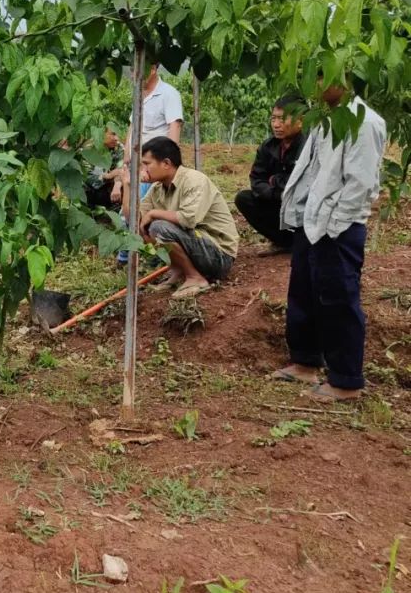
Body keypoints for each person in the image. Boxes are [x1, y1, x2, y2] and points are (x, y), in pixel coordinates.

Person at [270, 82, 386, 402]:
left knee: (338, 300)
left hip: (339, 226)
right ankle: (305, 362)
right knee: (304, 291)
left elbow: (361, 183)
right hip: (312, 219)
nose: (315, 82)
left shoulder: (364, 121)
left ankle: (346, 381)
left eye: (322, 74)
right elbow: (312, 170)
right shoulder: (323, 119)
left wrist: (335, 224)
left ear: (344, 76)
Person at [138, 137, 239, 299]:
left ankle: (195, 278)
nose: (143, 169)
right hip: (198, 246)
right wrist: (128, 186)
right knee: (144, 227)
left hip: (219, 255)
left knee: (158, 226)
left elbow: (188, 220)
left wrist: (153, 213)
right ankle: (179, 271)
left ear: (166, 163)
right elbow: (136, 220)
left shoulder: (194, 180)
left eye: (146, 164)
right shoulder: (157, 188)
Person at [114, 64, 184, 264]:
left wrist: (167, 165)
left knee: (143, 210)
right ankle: (128, 255)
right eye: (133, 70)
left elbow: (174, 128)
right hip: (135, 164)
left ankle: (148, 256)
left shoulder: (169, 94)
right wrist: (126, 158)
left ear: (153, 68)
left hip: (152, 167)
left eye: (139, 69)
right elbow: (133, 127)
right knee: (128, 210)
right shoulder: (139, 95)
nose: (134, 74)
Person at [234, 97, 305, 254]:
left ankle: (303, 241)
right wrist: (276, 192)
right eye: (273, 119)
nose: (276, 124)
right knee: (244, 199)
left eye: (282, 119)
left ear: (300, 120)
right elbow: (257, 180)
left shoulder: (308, 146)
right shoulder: (268, 146)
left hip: (300, 204)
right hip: (277, 199)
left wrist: (274, 180)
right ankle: (283, 242)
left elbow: (300, 182)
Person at [84, 128, 124, 211]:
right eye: (113, 134)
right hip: (89, 192)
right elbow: (87, 177)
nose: (116, 138)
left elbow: (121, 170)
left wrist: (117, 184)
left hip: (110, 190)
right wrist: (107, 176)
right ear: (102, 133)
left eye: (117, 135)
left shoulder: (118, 147)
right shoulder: (88, 149)